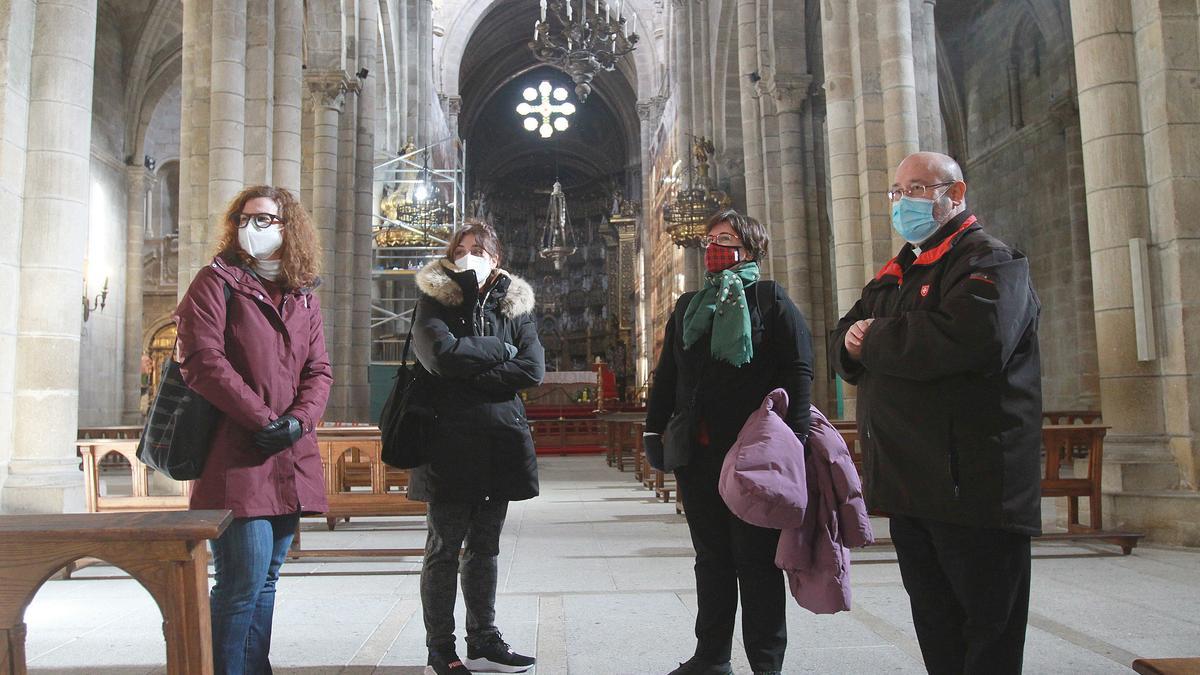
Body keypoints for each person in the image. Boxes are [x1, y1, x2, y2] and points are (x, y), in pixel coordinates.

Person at [830, 151, 1042, 675]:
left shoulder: (988, 259)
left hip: (971, 483)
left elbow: (970, 338)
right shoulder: (897, 272)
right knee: (935, 623)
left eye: (920, 188)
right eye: (899, 191)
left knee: (987, 628)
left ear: (957, 193)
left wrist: (875, 337)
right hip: (911, 484)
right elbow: (844, 336)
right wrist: (860, 342)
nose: (905, 201)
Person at [644, 209, 815, 675]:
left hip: (753, 454)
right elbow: (667, 376)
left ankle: (765, 662)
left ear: (750, 248)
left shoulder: (768, 299)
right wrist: (653, 430)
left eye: (726, 238)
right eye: (710, 239)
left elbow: (798, 369)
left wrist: (794, 440)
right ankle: (711, 656)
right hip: (698, 454)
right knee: (712, 558)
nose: (714, 246)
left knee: (757, 561)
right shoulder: (687, 307)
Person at [174, 185, 332, 674]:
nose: (252, 227)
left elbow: (319, 370)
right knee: (241, 586)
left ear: (289, 230)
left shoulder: (303, 295)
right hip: (237, 454)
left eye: (265, 220)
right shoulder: (214, 281)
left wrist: (298, 422)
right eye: (246, 218)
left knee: (266, 582)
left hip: (289, 455)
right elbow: (203, 362)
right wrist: (266, 421)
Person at [410, 219, 545, 675]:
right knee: (444, 548)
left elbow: (532, 369)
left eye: (479, 249)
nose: (469, 254)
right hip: (448, 442)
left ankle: (483, 638)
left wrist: (474, 363)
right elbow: (440, 358)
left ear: (496, 258)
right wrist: (501, 352)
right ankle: (440, 648)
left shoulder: (516, 305)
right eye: (461, 248)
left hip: (501, 441)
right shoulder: (434, 300)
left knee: (485, 548)